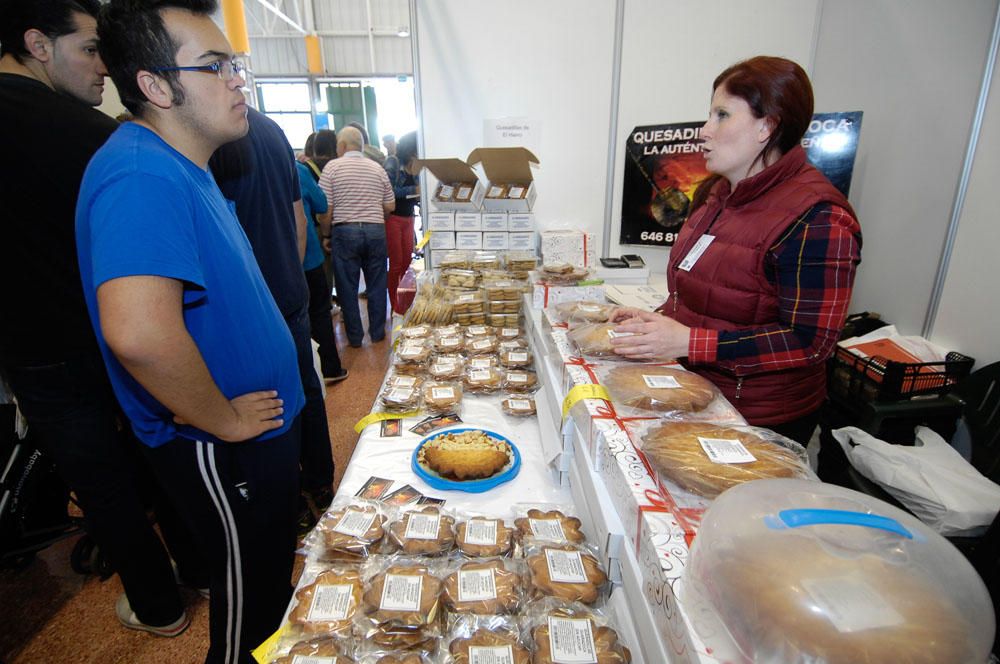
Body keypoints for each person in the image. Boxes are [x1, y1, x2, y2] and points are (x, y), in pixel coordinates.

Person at [80, 1, 305, 661]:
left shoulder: (184, 164)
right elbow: (140, 334)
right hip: (216, 441)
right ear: (154, 85)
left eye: (236, 65)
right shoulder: (142, 173)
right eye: (215, 68)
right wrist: (224, 421)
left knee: (265, 579)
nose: (238, 81)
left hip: (246, 434)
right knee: (248, 599)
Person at [0, 0, 197, 638]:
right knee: (151, 454)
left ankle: (159, 605)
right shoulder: (91, 133)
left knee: (103, 484)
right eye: (88, 49)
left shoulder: (94, 133)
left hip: (41, 346)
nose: (104, 68)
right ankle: (195, 569)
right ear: (36, 43)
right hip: (96, 336)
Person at [610, 56, 862, 446]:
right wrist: (656, 323)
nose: (704, 131)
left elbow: (809, 341)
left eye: (722, 115)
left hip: (757, 419)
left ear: (767, 126)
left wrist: (689, 342)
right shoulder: (716, 194)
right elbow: (708, 297)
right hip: (696, 391)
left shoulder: (818, 217)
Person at [210, 107, 338, 528]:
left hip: (248, 304)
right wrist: (291, 271)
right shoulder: (269, 129)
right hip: (286, 286)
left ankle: (290, 502)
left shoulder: (212, 133)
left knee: (265, 404)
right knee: (303, 387)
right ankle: (320, 482)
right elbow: (298, 215)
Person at [318, 126, 395, 347]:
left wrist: (326, 234)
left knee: (347, 287)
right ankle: (378, 333)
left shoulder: (332, 168)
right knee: (378, 283)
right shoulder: (377, 168)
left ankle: (354, 338)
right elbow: (390, 204)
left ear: (341, 146)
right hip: (375, 231)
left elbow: (326, 209)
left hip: (345, 231)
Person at [296, 158, 347, 383]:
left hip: (269, 265)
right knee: (319, 312)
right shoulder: (296, 170)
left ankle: (303, 375)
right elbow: (321, 203)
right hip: (307, 257)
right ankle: (329, 368)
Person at [385, 131, 419, 314]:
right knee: (396, 264)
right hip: (394, 218)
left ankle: (405, 303)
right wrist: (414, 189)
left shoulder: (414, 166)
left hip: (409, 217)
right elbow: (388, 192)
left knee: (407, 262)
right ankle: (394, 305)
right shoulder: (393, 162)